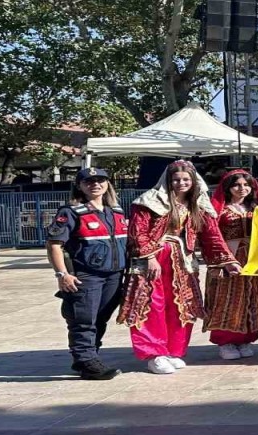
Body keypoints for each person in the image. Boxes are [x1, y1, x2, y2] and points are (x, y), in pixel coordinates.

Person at [119, 161, 240, 374]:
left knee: (182, 304)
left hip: (182, 258)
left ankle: (174, 350)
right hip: (154, 257)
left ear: (193, 181)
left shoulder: (198, 204)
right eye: (176, 179)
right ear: (168, 180)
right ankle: (154, 353)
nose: (181, 183)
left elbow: (211, 235)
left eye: (186, 179)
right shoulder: (149, 201)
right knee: (151, 304)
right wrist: (149, 258)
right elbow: (138, 232)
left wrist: (227, 260)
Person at [46, 167, 127, 380]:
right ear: (80, 186)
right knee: (83, 319)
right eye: (89, 181)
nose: (95, 184)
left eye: (100, 180)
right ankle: (87, 362)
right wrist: (62, 274)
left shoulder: (115, 212)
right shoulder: (71, 212)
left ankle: (87, 357)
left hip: (114, 276)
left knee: (100, 318)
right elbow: (54, 245)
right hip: (86, 276)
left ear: (108, 184)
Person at [204, 169, 258, 360]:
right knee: (228, 299)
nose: (242, 188)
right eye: (237, 185)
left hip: (255, 260)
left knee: (255, 297)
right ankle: (226, 341)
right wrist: (224, 260)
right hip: (229, 259)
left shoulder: (257, 208)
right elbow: (211, 236)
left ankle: (246, 338)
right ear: (228, 188)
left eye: (246, 185)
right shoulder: (218, 209)